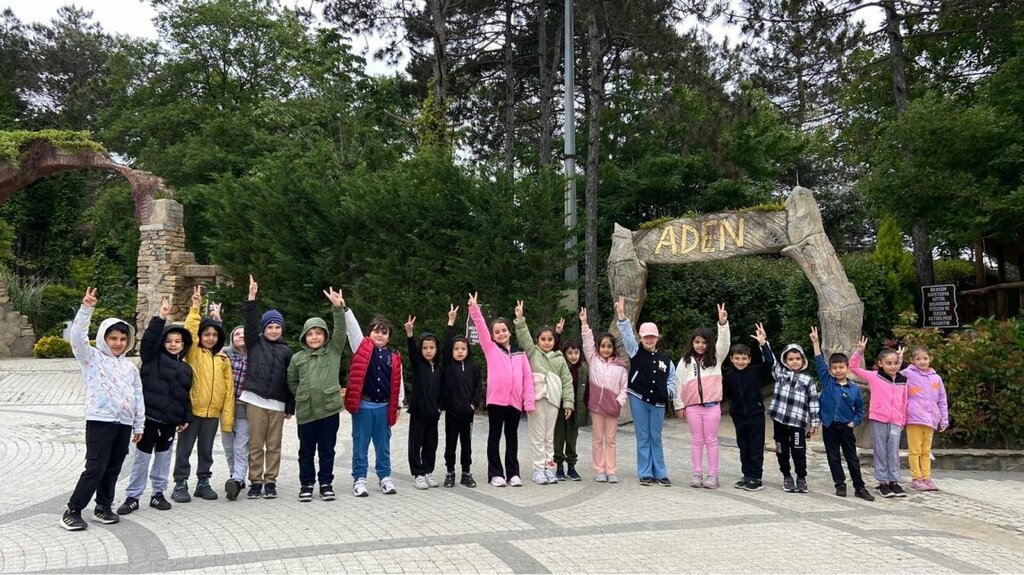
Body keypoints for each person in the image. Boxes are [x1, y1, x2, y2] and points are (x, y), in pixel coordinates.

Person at [61, 288, 144, 531]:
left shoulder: (130, 367)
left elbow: (138, 396)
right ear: (103, 339)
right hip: (100, 421)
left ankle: (103, 506)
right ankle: (73, 510)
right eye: (113, 339)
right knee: (95, 467)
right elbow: (77, 338)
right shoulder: (92, 358)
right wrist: (86, 309)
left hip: (124, 424)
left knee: (113, 467)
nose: (118, 343)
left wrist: (138, 424)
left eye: (122, 339)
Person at [116, 296, 192, 516]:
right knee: (142, 457)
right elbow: (148, 341)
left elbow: (185, 396)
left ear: (183, 345)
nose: (173, 345)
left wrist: (185, 417)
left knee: (164, 457)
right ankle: (133, 496)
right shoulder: (152, 358)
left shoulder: (187, 370)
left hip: (170, 422)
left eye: (178, 341)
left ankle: (158, 493)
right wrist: (161, 318)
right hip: (149, 418)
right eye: (169, 341)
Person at [286, 287, 348, 502]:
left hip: (329, 410)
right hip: (306, 411)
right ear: (305, 336)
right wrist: (302, 395)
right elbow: (292, 381)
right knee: (305, 451)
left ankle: (326, 483)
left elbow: (341, 329)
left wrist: (337, 307)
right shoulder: (297, 358)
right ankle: (306, 484)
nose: (314, 337)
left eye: (318, 333)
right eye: (310, 333)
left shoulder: (333, 350)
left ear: (325, 336)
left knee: (327, 450)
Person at [173, 286, 235, 503]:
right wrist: (195, 308)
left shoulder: (223, 359)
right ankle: (180, 483)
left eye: (214, 334)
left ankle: (203, 482)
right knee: (184, 449)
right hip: (192, 411)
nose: (210, 338)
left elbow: (229, 391)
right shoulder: (193, 353)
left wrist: (227, 419)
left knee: (206, 450)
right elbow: (189, 331)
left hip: (212, 414)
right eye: (206, 334)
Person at [468, 292, 534, 487]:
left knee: (512, 437)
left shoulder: (520, 352)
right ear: (493, 335)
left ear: (509, 332)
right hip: (496, 401)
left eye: (504, 330)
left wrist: (528, 401)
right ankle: (495, 473)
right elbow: (480, 329)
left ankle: (513, 473)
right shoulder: (491, 349)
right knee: (494, 437)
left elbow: (528, 377)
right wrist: (474, 309)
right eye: (497, 332)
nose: (501, 334)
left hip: (515, 402)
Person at [240, 275, 293, 500]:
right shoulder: (254, 343)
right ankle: (255, 481)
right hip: (255, 400)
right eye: (269, 326)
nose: (273, 330)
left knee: (274, 445)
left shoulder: (287, 351)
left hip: (278, 404)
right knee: (255, 444)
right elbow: (250, 324)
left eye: (277, 327)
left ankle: (270, 481)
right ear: (264, 328)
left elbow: (291, 381)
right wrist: (252, 297)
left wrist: (290, 406)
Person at [615, 296, 676, 487]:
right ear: (640, 338)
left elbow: (673, 380)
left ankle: (661, 472)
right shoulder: (635, 351)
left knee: (655, 437)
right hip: (638, 397)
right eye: (646, 336)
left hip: (658, 402)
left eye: (652, 336)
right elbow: (626, 335)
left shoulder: (666, 359)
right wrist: (622, 316)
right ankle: (645, 472)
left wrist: (667, 392)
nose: (649, 339)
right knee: (643, 436)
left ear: (658, 338)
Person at [809, 327, 874, 501]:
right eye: (835, 368)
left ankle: (859, 487)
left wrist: (855, 422)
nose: (838, 370)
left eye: (841, 367)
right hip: (830, 425)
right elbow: (819, 363)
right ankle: (840, 484)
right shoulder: (827, 382)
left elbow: (860, 409)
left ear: (847, 368)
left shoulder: (854, 389)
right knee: (833, 456)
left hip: (846, 426)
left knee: (852, 457)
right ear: (830, 370)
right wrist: (816, 343)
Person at [344, 308, 403, 496]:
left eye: (384, 332)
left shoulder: (393, 357)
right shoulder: (361, 349)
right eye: (376, 331)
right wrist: (345, 309)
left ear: (389, 337)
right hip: (363, 406)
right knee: (360, 444)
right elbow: (352, 329)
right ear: (369, 333)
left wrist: (399, 403)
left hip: (384, 407)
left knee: (383, 445)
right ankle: (359, 478)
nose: (380, 335)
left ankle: (384, 477)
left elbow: (398, 381)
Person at [514, 300, 573, 485]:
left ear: (555, 341)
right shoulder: (533, 353)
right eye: (543, 339)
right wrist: (520, 319)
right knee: (537, 436)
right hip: (537, 401)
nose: (547, 342)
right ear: (538, 341)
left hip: (554, 402)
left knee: (549, 437)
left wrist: (568, 403)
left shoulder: (560, 358)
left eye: (550, 339)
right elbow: (524, 338)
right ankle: (538, 469)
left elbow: (567, 382)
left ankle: (549, 468)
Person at [673, 304, 730, 489]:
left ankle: (713, 475)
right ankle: (697, 473)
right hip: (693, 408)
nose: (700, 345)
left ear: (709, 344)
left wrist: (722, 323)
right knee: (696, 441)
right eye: (697, 342)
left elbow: (724, 343)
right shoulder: (685, 361)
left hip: (712, 407)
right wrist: (679, 405)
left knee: (711, 441)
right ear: (692, 343)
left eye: (704, 342)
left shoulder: (716, 358)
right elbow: (678, 383)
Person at [851, 337, 908, 498]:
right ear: (881, 363)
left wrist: (903, 419)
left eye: (896, 363)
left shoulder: (903, 379)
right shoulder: (875, 377)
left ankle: (894, 481)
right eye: (888, 363)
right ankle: (882, 482)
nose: (893, 366)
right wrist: (859, 352)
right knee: (881, 451)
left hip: (896, 421)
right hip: (879, 419)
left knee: (893, 451)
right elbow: (853, 368)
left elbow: (904, 401)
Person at [722, 323, 772, 492]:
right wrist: (733, 410)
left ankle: (756, 477)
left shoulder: (756, 371)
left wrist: (763, 344)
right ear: (731, 359)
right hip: (739, 416)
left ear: (749, 359)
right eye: (737, 358)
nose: (740, 361)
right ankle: (747, 475)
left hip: (755, 415)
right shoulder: (728, 375)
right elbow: (728, 395)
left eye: (744, 358)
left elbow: (770, 362)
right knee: (743, 446)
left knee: (756, 447)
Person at [579, 307, 628, 483]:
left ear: (613, 348)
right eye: (603, 346)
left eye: (609, 346)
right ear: (599, 347)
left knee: (611, 440)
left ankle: (611, 470)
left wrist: (618, 402)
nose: (606, 349)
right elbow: (587, 343)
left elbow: (624, 388)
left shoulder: (620, 366)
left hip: (612, 408)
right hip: (596, 408)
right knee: (597, 439)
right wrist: (584, 324)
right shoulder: (593, 359)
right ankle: (599, 469)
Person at [767, 339, 819, 493]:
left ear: (803, 360)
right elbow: (770, 360)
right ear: (785, 360)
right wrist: (764, 343)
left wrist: (815, 423)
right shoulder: (780, 374)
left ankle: (801, 477)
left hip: (798, 422)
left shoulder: (808, 380)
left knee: (798, 450)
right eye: (790, 359)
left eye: (797, 358)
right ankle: (786, 475)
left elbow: (813, 402)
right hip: (780, 420)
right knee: (781, 449)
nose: (794, 362)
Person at [441, 304, 483, 488]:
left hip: (468, 414)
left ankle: (466, 473)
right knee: (450, 445)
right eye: (456, 348)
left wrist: (473, 404)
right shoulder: (448, 365)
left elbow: (478, 388)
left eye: (463, 348)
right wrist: (451, 322)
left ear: (467, 350)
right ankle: (450, 472)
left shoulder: (473, 367)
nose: (459, 351)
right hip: (452, 413)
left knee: (466, 445)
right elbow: (446, 344)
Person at [404, 314, 443, 490]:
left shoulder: (440, 368)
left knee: (431, 444)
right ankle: (418, 473)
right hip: (419, 412)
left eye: (431, 347)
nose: (428, 350)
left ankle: (428, 470)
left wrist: (440, 407)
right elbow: (412, 352)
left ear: (436, 349)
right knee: (415, 443)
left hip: (433, 413)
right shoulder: (418, 365)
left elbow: (443, 390)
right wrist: (410, 334)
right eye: (425, 348)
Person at [902, 345, 948, 491]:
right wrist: (899, 358)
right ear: (912, 360)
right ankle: (917, 478)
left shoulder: (936, 378)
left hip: (930, 420)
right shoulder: (908, 374)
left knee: (926, 451)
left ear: (930, 359)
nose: (922, 361)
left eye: (925, 358)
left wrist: (943, 419)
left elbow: (942, 399)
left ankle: (927, 477)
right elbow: (895, 372)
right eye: (918, 359)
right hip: (914, 418)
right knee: (915, 450)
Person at [221, 317, 249, 501]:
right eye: (236, 334)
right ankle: (234, 474)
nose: (240, 336)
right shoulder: (224, 355)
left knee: (241, 446)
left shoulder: (255, 356)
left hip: (245, 409)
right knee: (228, 446)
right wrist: (217, 320)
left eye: (243, 334)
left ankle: (238, 478)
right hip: (226, 409)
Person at [554, 335, 587, 481]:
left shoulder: (584, 369)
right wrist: (558, 334)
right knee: (559, 438)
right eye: (569, 353)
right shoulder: (560, 367)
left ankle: (572, 467)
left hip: (576, 410)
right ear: (564, 353)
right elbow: (552, 348)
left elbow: (588, 391)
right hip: (560, 410)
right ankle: (559, 466)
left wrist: (584, 409)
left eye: (576, 352)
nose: (573, 356)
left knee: (572, 440)